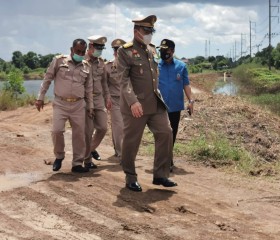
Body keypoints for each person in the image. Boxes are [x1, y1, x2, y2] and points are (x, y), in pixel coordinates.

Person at [117, 15, 177, 192]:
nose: (150, 34)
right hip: (136, 106)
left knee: (166, 132)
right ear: (136, 32)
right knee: (131, 141)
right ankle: (130, 177)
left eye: (152, 31)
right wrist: (133, 102)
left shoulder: (151, 49)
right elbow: (123, 80)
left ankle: (160, 174)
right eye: (146, 30)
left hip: (155, 103)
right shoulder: (124, 51)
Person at [35, 38, 93, 173]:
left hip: (79, 104)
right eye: (78, 51)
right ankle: (59, 156)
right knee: (57, 131)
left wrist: (90, 106)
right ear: (71, 50)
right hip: (60, 103)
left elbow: (89, 88)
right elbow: (47, 79)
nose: (80, 53)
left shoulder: (86, 66)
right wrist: (40, 97)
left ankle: (77, 163)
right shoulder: (59, 61)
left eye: (83, 51)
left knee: (79, 134)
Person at [157, 39, 194, 171]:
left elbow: (186, 84)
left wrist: (191, 101)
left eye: (165, 51)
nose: (162, 53)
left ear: (172, 51)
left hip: (175, 106)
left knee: (172, 133)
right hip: (159, 107)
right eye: (161, 50)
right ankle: (164, 161)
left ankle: (168, 158)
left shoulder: (181, 66)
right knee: (162, 133)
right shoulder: (155, 66)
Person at [84, 35, 111, 169]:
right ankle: (87, 160)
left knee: (102, 128)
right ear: (90, 47)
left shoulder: (101, 63)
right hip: (85, 99)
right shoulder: (82, 61)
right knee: (88, 130)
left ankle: (87, 151)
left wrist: (108, 97)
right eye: (97, 48)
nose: (99, 50)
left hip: (99, 98)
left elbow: (105, 82)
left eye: (101, 48)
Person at [105, 38, 126, 159]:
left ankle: (124, 149)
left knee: (128, 127)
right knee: (118, 126)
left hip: (129, 100)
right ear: (114, 51)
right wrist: (107, 98)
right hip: (115, 99)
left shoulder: (131, 64)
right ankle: (121, 152)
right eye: (116, 49)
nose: (118, 51)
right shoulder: (108, 66)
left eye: (121, 49)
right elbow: (105, 84)